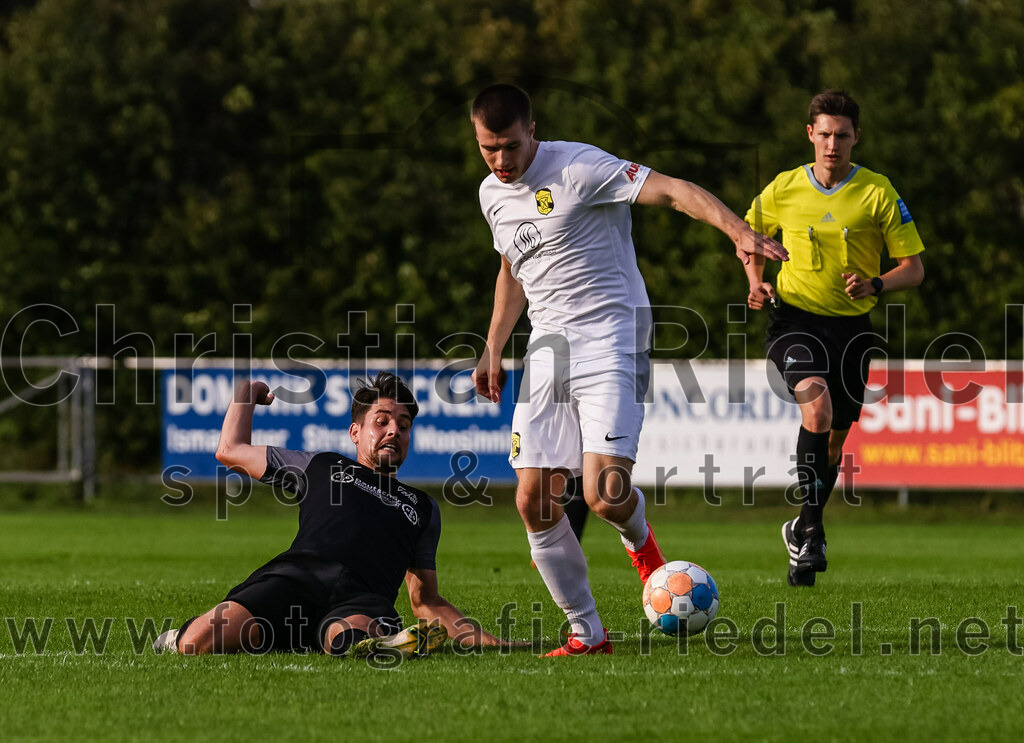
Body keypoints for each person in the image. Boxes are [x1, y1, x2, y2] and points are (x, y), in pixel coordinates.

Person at [470, 83, 789, 655]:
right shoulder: (492, 193)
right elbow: (512, 269)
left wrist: (737, 231)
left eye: (510, 146)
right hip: (547, 349)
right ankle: (587, 633)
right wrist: (493, 345)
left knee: (605, 495)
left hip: (612, 338)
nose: (501, 160)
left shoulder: (580, 167)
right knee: (531, 501)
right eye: (488, 149)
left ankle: (649, 559)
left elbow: (671, 191)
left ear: (532, 131)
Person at [153, 372, 507, 658]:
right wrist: (247, 392)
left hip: (360, 597)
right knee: (195, 644)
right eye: (381, 421)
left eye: (403, 426)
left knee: (348, 637)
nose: (393, 431)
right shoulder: (322, 465)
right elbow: (230, 451)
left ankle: (378, 642)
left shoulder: (421, 507)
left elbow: (426, 601)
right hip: (294, 578)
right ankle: (185, 632)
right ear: (355, 432)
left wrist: (493, 643)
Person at [742, 89, 925, 587]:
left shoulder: (877, 192)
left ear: (855, 138)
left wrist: (877, 283)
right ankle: (815, 530)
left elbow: (914, 268)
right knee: (817, 412)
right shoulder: (784, 187)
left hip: (852, 330)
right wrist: (755, 281)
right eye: (824, 134)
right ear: (810, 135)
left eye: (842, 136)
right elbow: (747, 235)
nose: (832, 144)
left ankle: (800, 529)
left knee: (836, 442)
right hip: (794, 321)